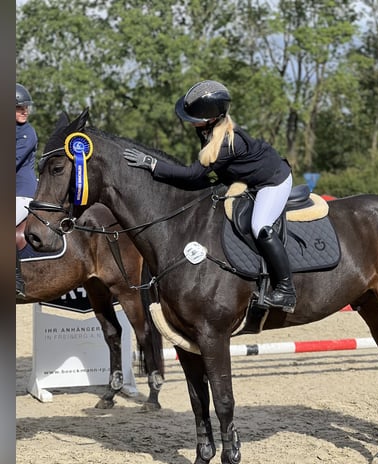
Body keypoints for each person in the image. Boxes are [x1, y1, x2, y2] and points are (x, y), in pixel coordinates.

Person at [122, 80, 296, 312]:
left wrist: (152, 164)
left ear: (211, 118)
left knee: (260, 226)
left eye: (194, 117)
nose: (188, 121)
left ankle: (286, 290)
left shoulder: (226, 143)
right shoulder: (207, 130)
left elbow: (193, 175)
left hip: (273, 181)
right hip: (244, 179)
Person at [16, 82, 38, 297]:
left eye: (26, 107)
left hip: (22, 194)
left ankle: (15, 281)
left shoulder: (26, 133)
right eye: (19, 107)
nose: (25, 111)